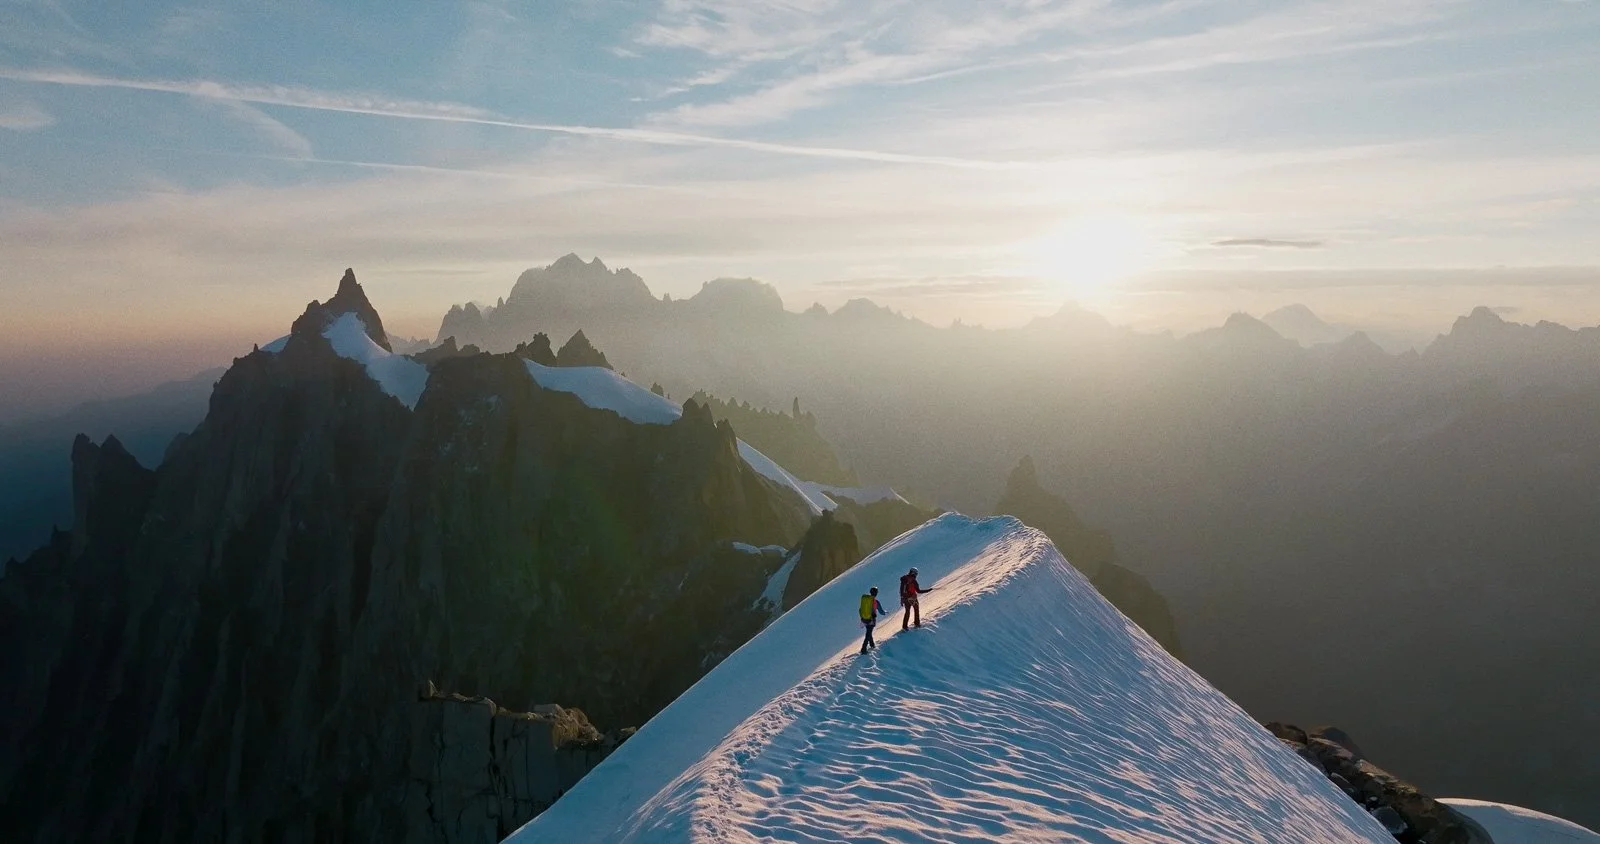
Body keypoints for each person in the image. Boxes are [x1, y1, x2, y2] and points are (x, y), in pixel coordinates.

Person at [858, 586, 886, 654]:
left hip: (864, 618)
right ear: (876, 593)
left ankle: (872, 645)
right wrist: (885, 612)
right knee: (868, 633)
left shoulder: (865, 599)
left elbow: (860, 609)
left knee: (868, 631)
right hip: (871, 619)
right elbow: (881, 612)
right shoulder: (875, 602)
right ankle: (863, 648)